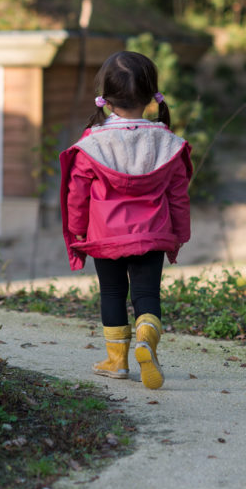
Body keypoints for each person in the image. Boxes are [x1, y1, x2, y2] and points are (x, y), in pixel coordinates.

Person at [59, 50, 192, 389]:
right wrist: (179, 234)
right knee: (147, 295)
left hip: (106, 236)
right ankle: (147, 335)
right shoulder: (167, 143)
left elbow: (78, 195)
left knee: (113, 293)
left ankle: (117, 361)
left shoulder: (93, 144)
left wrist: (76, 232)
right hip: (153, 233)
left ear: (105, 98)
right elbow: (178, 194)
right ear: (151, 96)